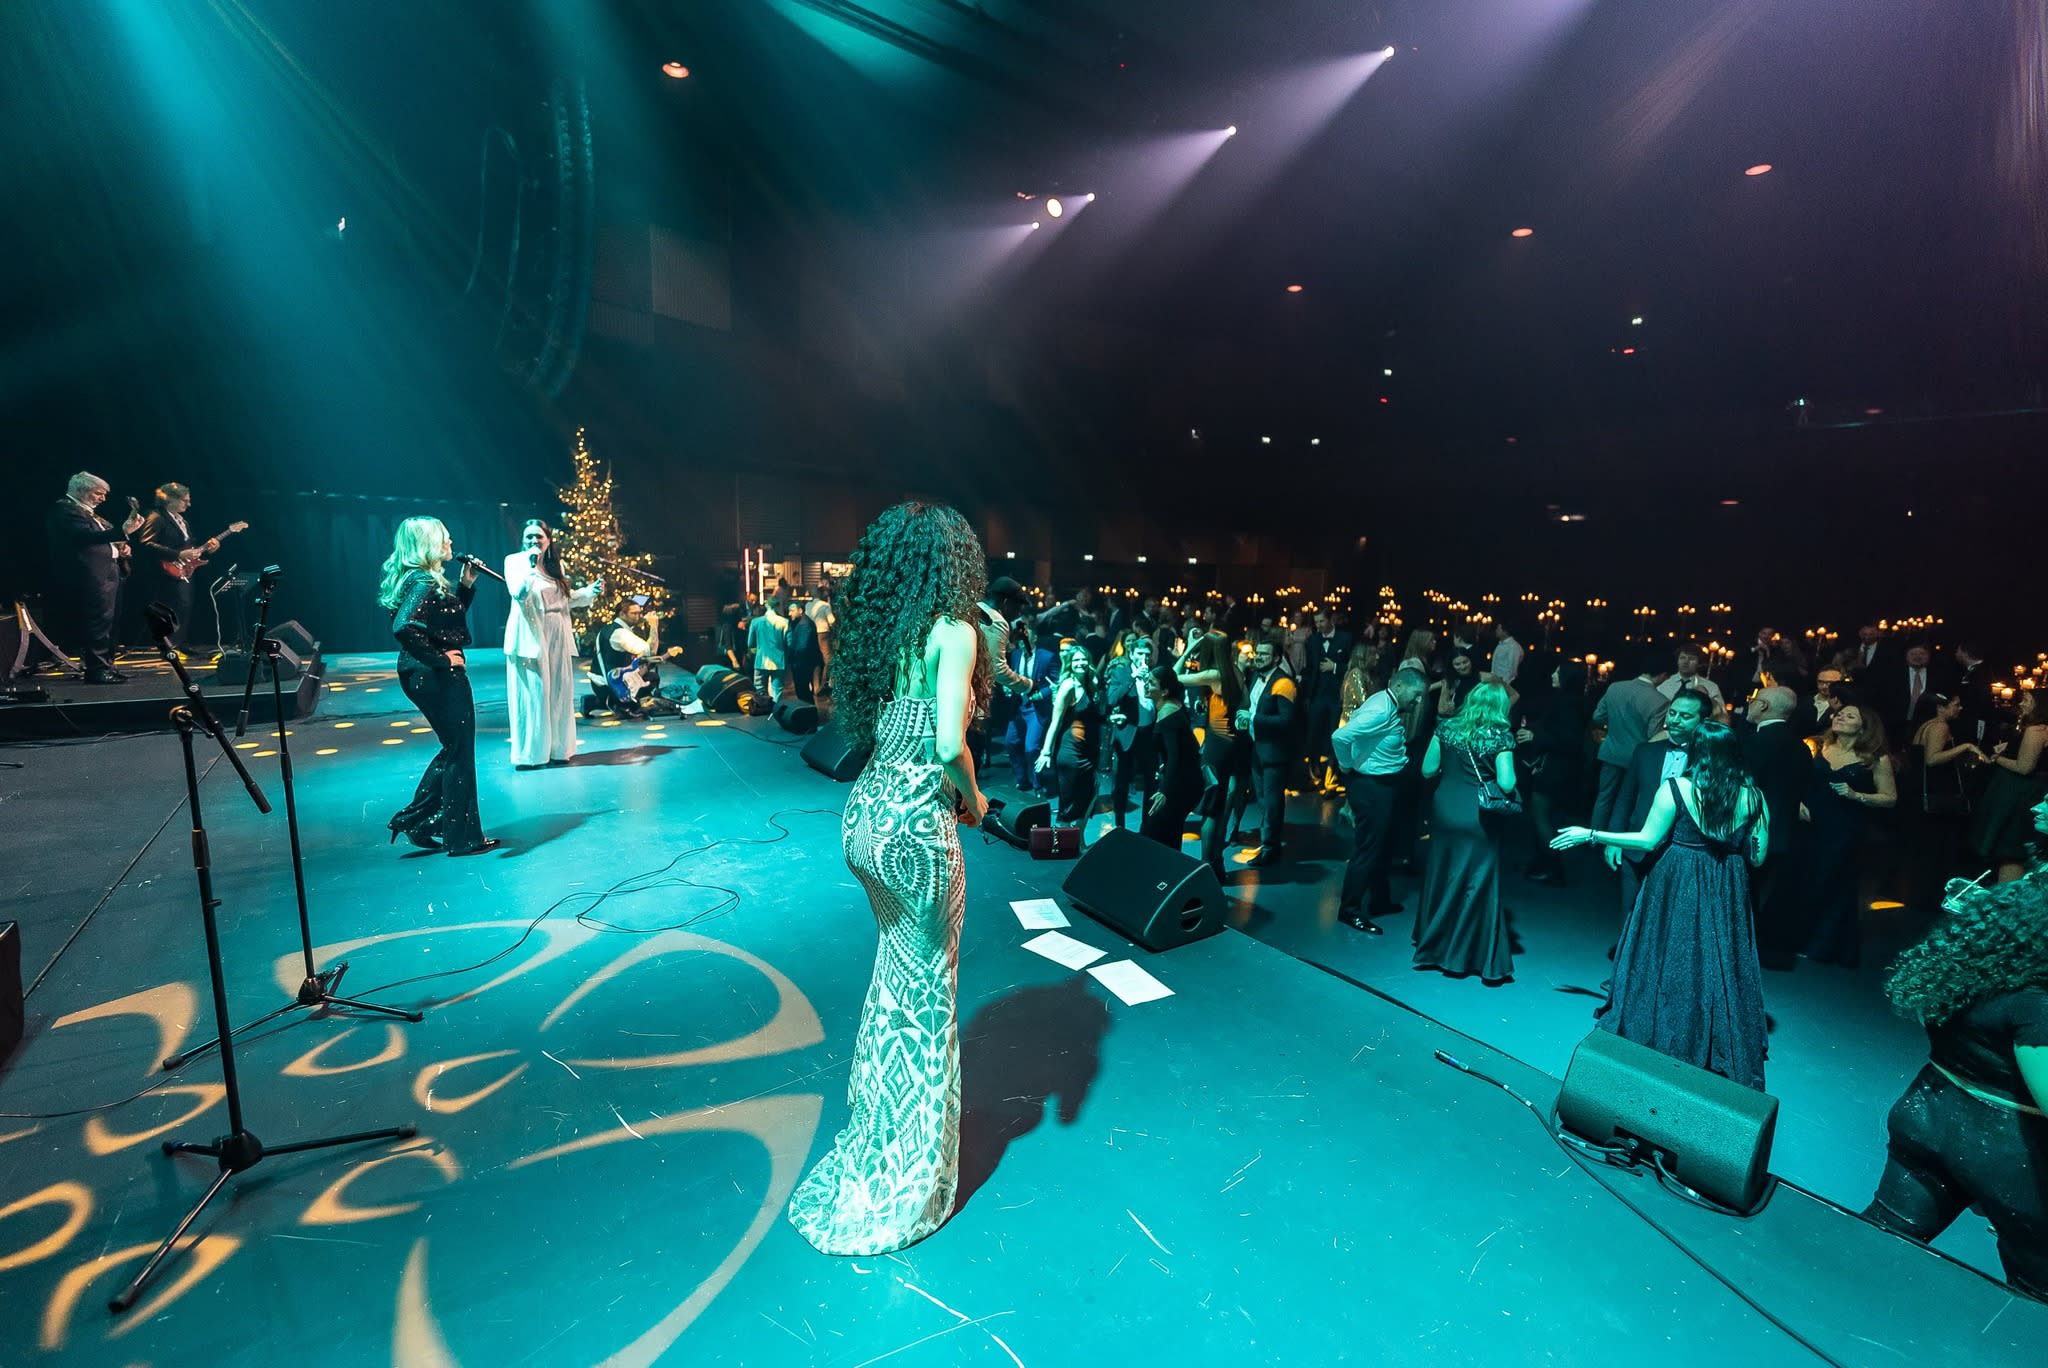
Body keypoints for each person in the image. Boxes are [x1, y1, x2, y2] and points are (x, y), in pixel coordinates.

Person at [785, 501, 989, 1256]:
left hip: (866, 817)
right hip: (915, 829)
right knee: (929, 989)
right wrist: (976, 801)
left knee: (893, 975)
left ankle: (878, 1130)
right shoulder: (954, 631)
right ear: (954, 561)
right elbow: (947, 745)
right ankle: (910, 1168)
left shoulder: (892, 631)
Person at [1862, 800, 2048, 1302]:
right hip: (2010, 1157)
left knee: (1870, 1249)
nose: (2036, 803)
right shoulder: (2036, 1005)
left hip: (1926, 1116)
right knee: (2035, 1303)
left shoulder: (1981, 955)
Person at [1553, 720, 1770, 1089]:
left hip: (1678, 878)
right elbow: (1759, 857)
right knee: (1717, 954)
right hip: (1726, 882)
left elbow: (1647, 840)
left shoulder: (1677, 788)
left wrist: (1590, 834)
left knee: (1672, 951)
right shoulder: (1754, 797)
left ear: (1696, 753)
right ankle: (1710, 1028)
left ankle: (1671, 1026)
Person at [380, 517, 494, 856]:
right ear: (429, 544)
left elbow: (443, 621)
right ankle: (461, 838)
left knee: (454, 749)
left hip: (421, 672)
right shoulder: (423, 581)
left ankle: (422, 823)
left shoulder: (417, 579)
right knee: (459, 752)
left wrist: (466, 585)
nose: (450, 543)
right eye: (445, 538)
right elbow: (405, 627)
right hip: (435, 675)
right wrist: (443, 660)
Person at [1413, 680, 1519, 982]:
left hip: (1445, 809)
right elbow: (1507, 783)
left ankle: (1432, 941)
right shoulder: (1500, 737)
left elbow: (1427, 770)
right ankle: (1460, 955)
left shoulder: (1446, 728)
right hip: (1477, 816)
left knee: (1443, 871)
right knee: (1476, 880)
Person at [1606, 689, 1714, 942]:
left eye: (1685, 716)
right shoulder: (1645, 752)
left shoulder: (1709, 760)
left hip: (1682, 850)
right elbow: (1625, 798)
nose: (1675, 720)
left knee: (1671, 919)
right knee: (1630, 913)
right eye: (1673, 713)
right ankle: (1625, 963)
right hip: (1637, 847)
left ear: (1702, 721)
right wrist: (1613, 840)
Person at [1331, 666, 1431, 934]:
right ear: (1399, 687)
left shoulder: (1386, 703)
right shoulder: (1380, 711)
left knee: (1383, 846)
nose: (1418, 701)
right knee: (1368, 849)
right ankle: (1349, 910)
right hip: (1372, 788)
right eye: (1416, 694)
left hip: (1383, 786)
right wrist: (1345, 764)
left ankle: (1379, 900)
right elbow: (1340, 736)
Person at [1797, 704, 1898, 966]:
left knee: (1833, 882)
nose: (1840, 717)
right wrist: (1797, 801)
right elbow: (1797, 779)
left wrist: (1857, 795)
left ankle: (1823, 944)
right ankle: (1796, 936)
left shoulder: (1875, 758)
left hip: (1844, 827)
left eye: (1849, 716)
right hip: (1809, 823)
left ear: (1864, 727)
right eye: (1839, 714)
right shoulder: (1816, 745)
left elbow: (1889, 797)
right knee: (1803, 878)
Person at [503, 520, 599, 769]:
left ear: (548, 540)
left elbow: (564, 600)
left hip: (557, 633)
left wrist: (588, 592)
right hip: (530, 635)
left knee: (559, 691)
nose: (533, 541)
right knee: (534, 694)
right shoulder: (514, 562)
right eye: (529, 537)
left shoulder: (556, 565)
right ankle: (532, 755)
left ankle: (559, 749)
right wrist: (530, 567)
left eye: (538, 537)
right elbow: (519, 593)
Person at [1741, 685, 1817, 968]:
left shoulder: (1753, 743)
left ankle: (1737, 948)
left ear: (1763, 706)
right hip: (1785, 833)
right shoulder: (1802, 748)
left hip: (1750, 830)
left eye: (1754, 700)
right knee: (1765, 891)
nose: (1750, 704)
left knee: (1741, 891)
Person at [45, 471, 142, 682]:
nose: (103, 498)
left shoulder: (89, 513)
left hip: (109, 572)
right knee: (98, 622)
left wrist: (120, 545)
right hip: (91, 574)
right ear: (81, 490)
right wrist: (122, 531)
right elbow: (84, 537)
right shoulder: (65, 510)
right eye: (99, 493)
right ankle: (97, 670)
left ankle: (108, 666)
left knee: (111, 622)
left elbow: (105, 536)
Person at [1177, 616, 1247, 882]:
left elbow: (1173, 676)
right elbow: (1245, 703)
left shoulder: (1213, 674)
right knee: (1219, 808)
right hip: (1231, 745)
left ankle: (1206, 865)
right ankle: (1216, 863)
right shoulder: (1234, 671)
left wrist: (1189, 649)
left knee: (1211, 810)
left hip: (1216, 746)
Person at [135, 483, 236, 653]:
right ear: (169, 499)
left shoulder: (182, 521)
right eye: (184, 500)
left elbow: (189, 548)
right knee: (172, 609)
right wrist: (177, 555)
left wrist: (209, 548)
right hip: (163, 572)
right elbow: (146, 544)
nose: (188, 504)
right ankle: (169, 646)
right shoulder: (156, 517)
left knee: (184, 607)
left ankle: (178, 644)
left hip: (181, 572)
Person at [1970, 688, 2048, 884]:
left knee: (2011, 848)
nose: (2021, 703)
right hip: (2027, 793)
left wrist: (1997, 759)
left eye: (2027, 700)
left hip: (2019, 796)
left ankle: (2007, 897)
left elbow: (2024, 767)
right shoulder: (2036, 728)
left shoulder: (2037, 730)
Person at [1241, 633, 1303, 867]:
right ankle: (1267, 839)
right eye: (1258, 653)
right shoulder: (1256, 678)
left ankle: (1270, 848)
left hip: (1274, 753)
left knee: (1272, 801)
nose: (1258, 657)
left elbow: (1287, 721)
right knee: (1264, 800)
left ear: (1276, 658)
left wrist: (1253, 719)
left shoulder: (1283, 683)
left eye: (1264, 654)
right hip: (1257, 748)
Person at [1592, 651, 1671, 831]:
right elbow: (1653, 735)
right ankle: (1616, 839)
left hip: (1611, 752)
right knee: (1626, 803)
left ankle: (1594, 836)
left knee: (1603, 798)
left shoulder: (1615, 687)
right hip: (1636, 759)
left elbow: (1598, 716)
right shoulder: (1660, 701)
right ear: (1662, 675)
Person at [1038, 642, 1103, 826]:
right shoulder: (1068, 686)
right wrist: (1046, 751)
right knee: (1068, 804)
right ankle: (1063, 840)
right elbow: (1056, 722)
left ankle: (1078, 839)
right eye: (1076, 660)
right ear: (1070, 664)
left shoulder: (1091, 683)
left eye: (1083, 659)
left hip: (1089, 752)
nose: (1080, 663)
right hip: (1071, 752)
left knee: (1088, 799)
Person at [1140, 663, 1202, 849]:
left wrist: (1164, 792)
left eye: (1151, 683)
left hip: (1181, 784)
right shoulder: (1172, 705)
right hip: (1181, 778)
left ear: (1164, 691)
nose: (1146, 685)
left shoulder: (1168, 713)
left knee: (1159, 833)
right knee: (1169, 833)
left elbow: (1174, 755)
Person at [1104, 634, 1156, 832]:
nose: (1144, 658)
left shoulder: (1154, 673)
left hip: (1149, 734)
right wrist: (1133, 678)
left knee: (1151, 781)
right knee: (1122, 782)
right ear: (1131, 654)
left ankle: (1147, 825)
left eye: (1147, 654)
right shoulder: (1122, 673)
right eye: (1140, 653)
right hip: (1128, 734)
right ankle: (1120, 825)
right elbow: (1111, 699)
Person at [1656, 642, 1725, 713]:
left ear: (1699, 663)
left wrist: (1706, 699)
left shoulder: (1711, 687)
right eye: (1682, 658)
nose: (1686, 662)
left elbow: (1721, 714)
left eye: (1691, 659)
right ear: (1677, 661)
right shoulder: (1664, 683)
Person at [747, 595, 789, 703]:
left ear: (766, 605)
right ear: (777, 606)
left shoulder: (755, 622)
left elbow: (750, 643)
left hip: (761, 660)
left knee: (760, 689)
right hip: (779, 661)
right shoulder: (785, 622)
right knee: (777, 689)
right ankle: (775, 709)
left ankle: (763, 709)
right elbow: (789, 644)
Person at [785, 593, 822, 703]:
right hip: (803, 662)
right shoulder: (802, 622)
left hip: (803, 663)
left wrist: (795, 661)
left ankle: (809, 710)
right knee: (803, 691)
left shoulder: (804, 624)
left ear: (800, 611)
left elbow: (802, 647)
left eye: (792, 611)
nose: (789, 614)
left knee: (803, 691)